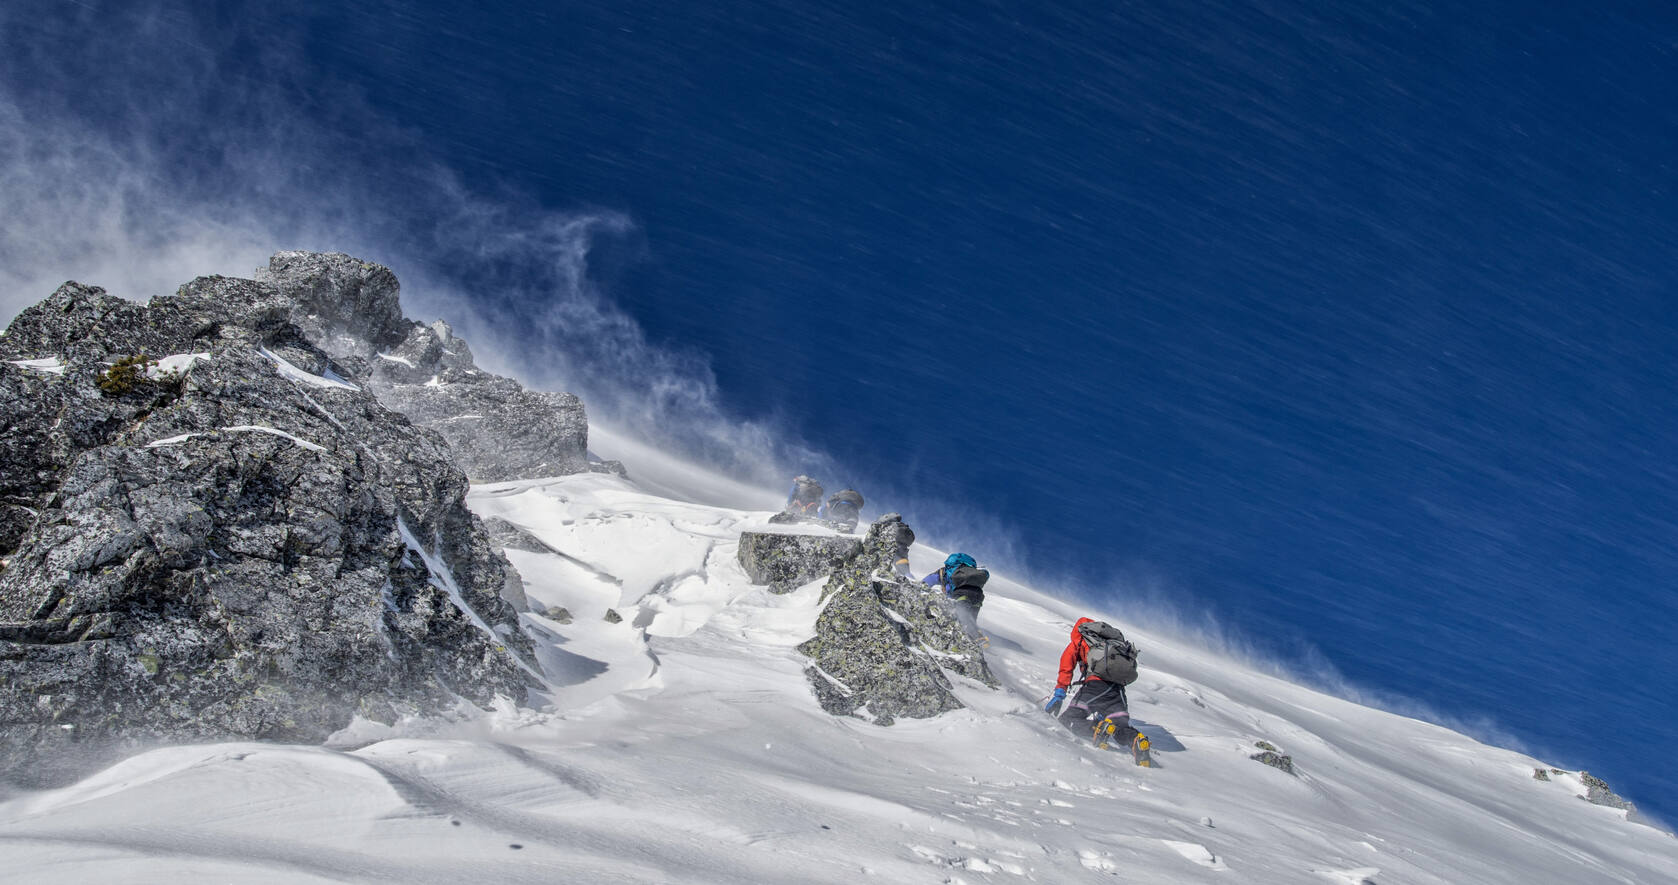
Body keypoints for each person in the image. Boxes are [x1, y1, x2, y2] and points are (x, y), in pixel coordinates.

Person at [1045, 617, 1150, 764]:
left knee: (1067, 720)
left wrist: (1060, 693)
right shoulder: (1111, 644)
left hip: (1094, 687)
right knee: (1120, 727)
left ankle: (1097, 729)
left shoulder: (1081, 640)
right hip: (1118, 692)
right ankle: (1137, 740)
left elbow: (1066, 666)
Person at [923, 552, 989, 637]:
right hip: (978, 597)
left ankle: (970, 638)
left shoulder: (943, 572)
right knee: (971, 621)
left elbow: (927, 581)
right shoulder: (969, 573)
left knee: (960, 619)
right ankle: (978, 639)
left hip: (962, 595)